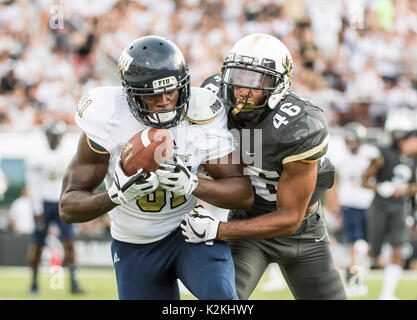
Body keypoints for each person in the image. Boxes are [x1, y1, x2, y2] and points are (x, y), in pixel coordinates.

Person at [59, 35, 253, 300]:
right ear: (131, 94)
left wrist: (194, 184)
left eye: (171, 91)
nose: (164, 101)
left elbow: (242, 192)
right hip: (133, 243)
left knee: (221, 300)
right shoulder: (108, 117)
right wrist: (116, 195)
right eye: (152, 94)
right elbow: (68, 207)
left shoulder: (202, 111)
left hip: (189, 231)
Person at [182, 33, 346, 300]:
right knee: (220, 301)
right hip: (248, 223)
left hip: (304, 231)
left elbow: (290, 218)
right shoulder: (212, 100)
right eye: (237, 76)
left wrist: (218, 230)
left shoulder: (300, 124)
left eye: (256, 80)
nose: (242, 88)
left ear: (279, 84)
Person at [26, 120, 84, 295]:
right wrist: (36, 210)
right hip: (43, 203)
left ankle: (73, 282)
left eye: (58, 135)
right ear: (47, 136)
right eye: (53, 135)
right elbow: (33, 185)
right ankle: (34, 282)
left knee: (69, 242)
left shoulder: (68, 154)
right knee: (37, 245)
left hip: (62, 203)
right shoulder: (37, 156)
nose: (55, 139)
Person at [362, 124, 417, 300]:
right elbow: (364, 180)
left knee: (398, 248)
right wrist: (380, 187)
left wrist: (405, 189)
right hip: (379, 206)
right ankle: (355, 278)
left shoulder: (413, 159)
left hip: (399, 208)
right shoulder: (383, 154)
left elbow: (415, 186)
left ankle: (387, 293)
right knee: (374, 250)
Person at [326, 122, 377, 296]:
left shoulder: (370, 155)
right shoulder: (341, 158)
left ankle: (357, 272)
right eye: (350, 140)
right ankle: (354, 275)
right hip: (349, 204)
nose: (352, 143)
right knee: (352, 242)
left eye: (355, 140)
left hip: (367, 203)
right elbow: (336, 181)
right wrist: (333, 201)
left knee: (365, 244)